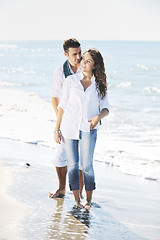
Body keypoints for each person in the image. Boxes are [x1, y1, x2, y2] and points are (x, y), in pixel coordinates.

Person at [54, 48, 110, 210]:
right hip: (69, 128)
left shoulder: (100, 85)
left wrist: (98, 117)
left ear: (95, 65)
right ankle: (77, 201)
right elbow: (62, 106)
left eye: (87, 61)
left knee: (86, 166)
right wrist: (56, 129)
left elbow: (106, 108)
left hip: (89, 129)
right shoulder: (71, 81)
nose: (83, 62)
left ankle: (89, 200)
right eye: (83, 59)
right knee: (72, 165)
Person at [49, 38, 84, 198]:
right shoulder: (60, 71)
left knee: (83, 159)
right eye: (74, 54)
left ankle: (81, 194)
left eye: (80, 53)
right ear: (66, 54)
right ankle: (62, 188)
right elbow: (55, 96)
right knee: (60, 156)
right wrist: (59, 120)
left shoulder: (86, 67)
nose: (78, 57)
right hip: (66, 121)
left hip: (84, 120)